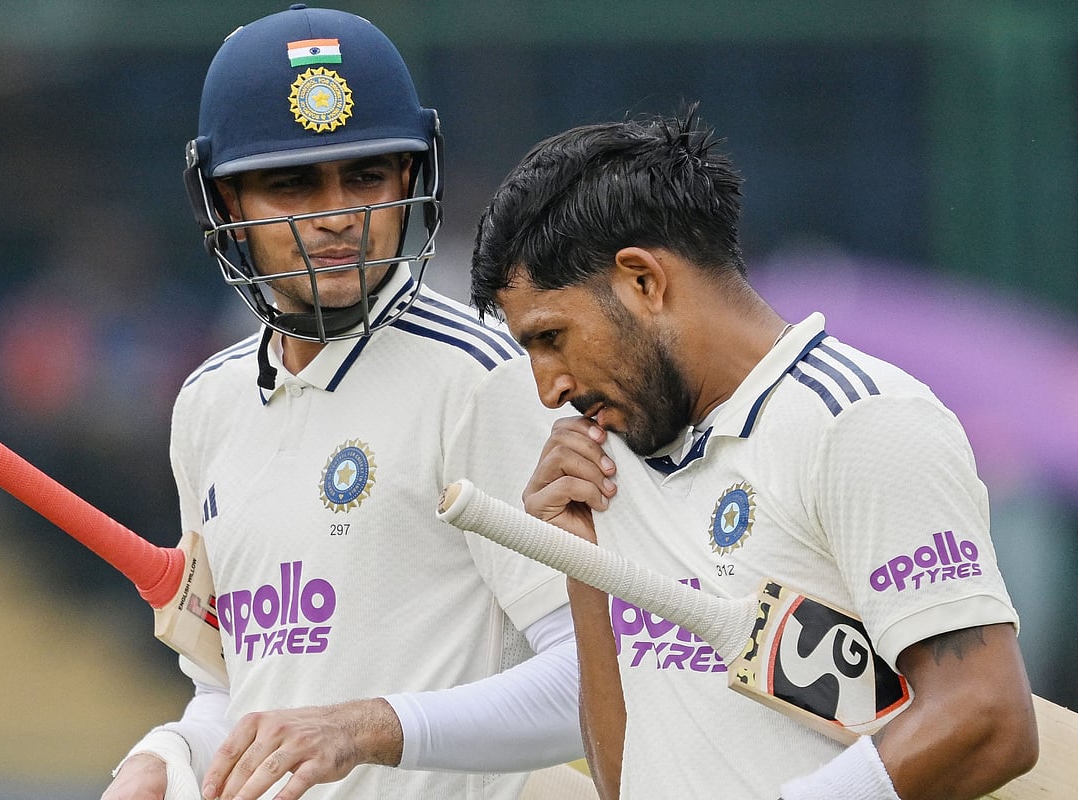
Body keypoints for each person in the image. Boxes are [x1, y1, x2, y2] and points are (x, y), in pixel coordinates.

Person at [469, 108, 1040, 800]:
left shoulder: (861, 423)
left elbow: (985, 717)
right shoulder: (613, 460)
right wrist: (582, 565)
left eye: (551, 337)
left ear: (643, 281)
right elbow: (626, 781)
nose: (547, 387)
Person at [102, 6, 585, 800]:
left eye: (365, 175)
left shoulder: (485, 376)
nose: (337, 217)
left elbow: (592, 685)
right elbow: (238, 693)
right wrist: (169, 754)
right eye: (291, 183)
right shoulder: (206, 406)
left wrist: (366, 729)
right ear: (224, 203)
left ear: (410, 178)